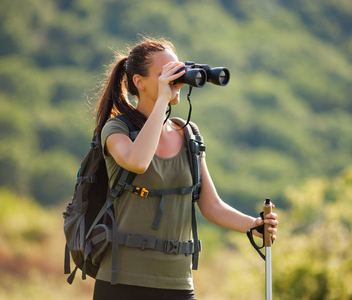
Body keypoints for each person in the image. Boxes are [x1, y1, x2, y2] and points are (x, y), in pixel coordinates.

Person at [93, 36, 279, 300]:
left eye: (178, 71)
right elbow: (138, 161)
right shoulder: (117, 129)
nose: (176, 80)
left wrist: (254, 225)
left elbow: (211, 205)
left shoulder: (188, 134)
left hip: (177, 283)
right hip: (122, 280)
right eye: (166, 74)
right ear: (140, 82)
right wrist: (161, 103)